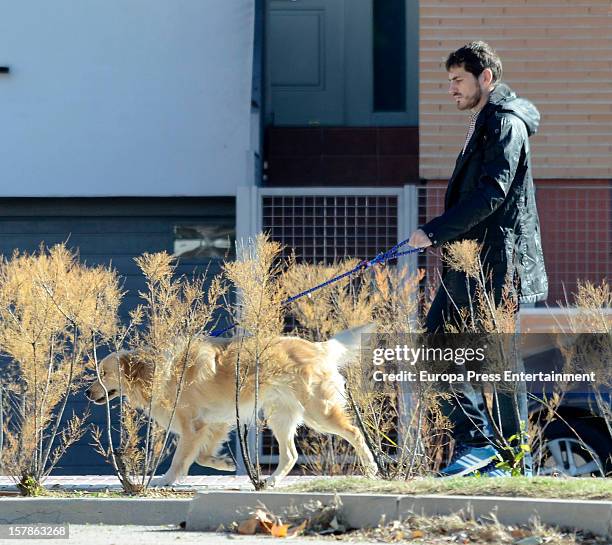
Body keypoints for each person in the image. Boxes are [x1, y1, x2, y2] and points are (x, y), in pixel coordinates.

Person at [408, 41, 548, 477]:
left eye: (457, 80)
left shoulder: (505, 124)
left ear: (485, 77)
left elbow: (493, 193)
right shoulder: (484, 122)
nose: (451, 88)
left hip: (495, 262)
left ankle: (510, 460)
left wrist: (432, 232)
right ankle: (477, 440)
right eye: (449, 80)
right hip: (465, 261)